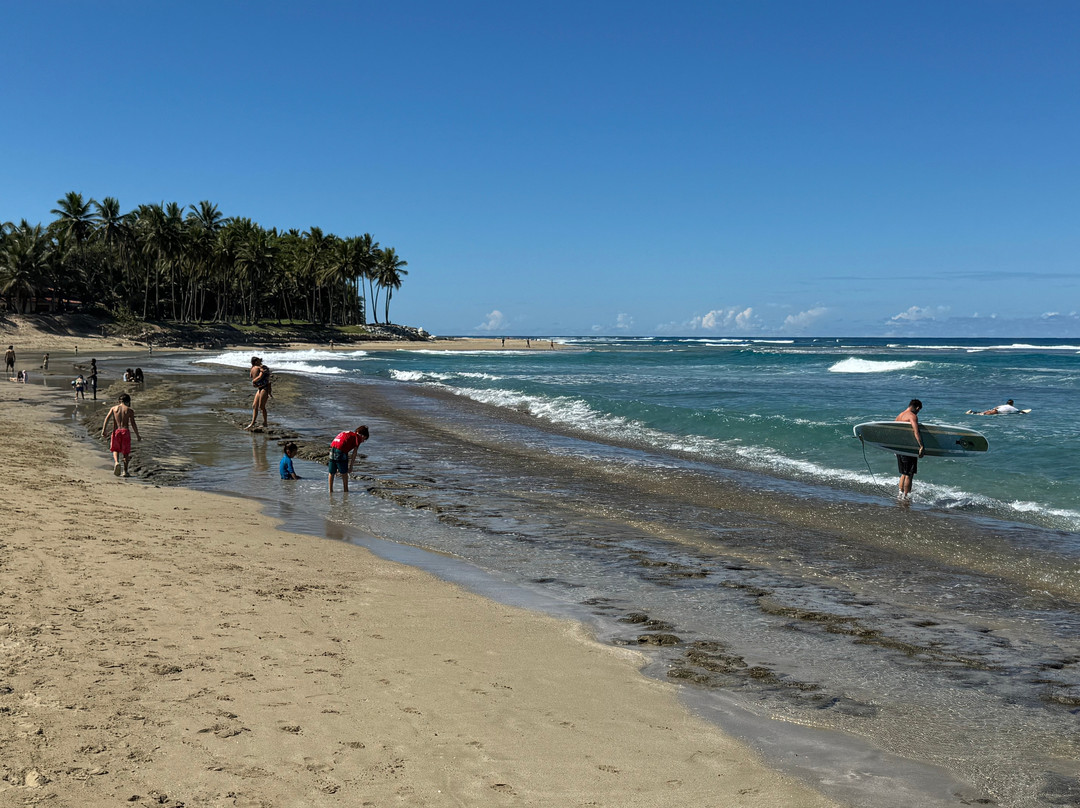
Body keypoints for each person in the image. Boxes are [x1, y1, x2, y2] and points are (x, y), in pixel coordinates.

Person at [101, 393, 141, 477]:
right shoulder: (129, 410)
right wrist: (137, 435)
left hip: (116, 431)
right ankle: (125, 471)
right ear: (128, 401)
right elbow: (133, 424)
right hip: (125, 431)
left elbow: (107, 419)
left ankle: (116, 462)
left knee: (115, 449)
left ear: (119, 401)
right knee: (126, 452)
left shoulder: (114, 408)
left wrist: (103, 430)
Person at [895, 399, 925, 497]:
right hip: (908, 448)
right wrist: (921, 446)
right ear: (917, 408)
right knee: (909, 474)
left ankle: (900, 494)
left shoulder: (899, 415)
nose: (918, 412)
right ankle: (906, 497)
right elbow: (916, 432)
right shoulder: (912, 416)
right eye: (918, 410)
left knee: (904, 473)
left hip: (899, 447)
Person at [328, 425, 369, 492]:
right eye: (364, 439)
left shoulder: (348, 433)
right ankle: (346, 490)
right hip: (341, 451)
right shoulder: (357, 438)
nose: (363, 441)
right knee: (344, 473)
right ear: (362, 435)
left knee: (331, 472)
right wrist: (351, 466)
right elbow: (354, 453)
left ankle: (330, 490)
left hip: (332, 448)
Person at [245, 357, 272, 430]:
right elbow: (252, 375)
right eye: (259, 360)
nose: (260, 361)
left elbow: (260, 376)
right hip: (259, 388)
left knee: (261, 406)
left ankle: (265, 423)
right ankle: (252, 423)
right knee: (254, 406)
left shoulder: (262, 368)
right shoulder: (254, 368)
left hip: (265, 387)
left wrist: (254, 381)